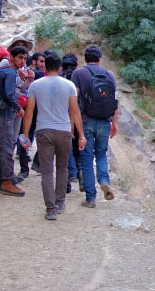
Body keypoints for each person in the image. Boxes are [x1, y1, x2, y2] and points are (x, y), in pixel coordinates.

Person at [20, 51, 86, 221]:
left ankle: (50, 209)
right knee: (63, 168)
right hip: (64, 131)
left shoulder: (35, 85)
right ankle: (60, 202)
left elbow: (29, 113)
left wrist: (26, 134)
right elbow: (75, 111)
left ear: (44, 66)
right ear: (60, 67)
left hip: (43, 131)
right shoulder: (69, 85)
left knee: (47, 171)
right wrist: (81, 135)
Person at [71, 45, 118, 207]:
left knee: (86, 158)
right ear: (100, 58)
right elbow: (114, 100)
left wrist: (72, 124)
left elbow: (74, 101)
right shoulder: (109, 74)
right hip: (105, 121)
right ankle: (104, 180)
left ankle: (91, 198)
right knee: (101, 154)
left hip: (85, 122)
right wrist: (114, 123)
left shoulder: (78, 73)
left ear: (85, 58)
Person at [0, 45, 29, 196]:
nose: (22, 61)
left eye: (25, 59)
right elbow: (9, 94)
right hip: (4, 115)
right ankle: (6, 181)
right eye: (20, 58)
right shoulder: (10, 73)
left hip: (1, 114)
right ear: (11, 58)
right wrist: (18, 107)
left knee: (5, 146)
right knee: (6, 147)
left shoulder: (7, 72)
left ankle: (6, 177)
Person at [60, 52, 81, 195]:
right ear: (76, 65)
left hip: (62, 121)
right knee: (78, 151)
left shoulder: (59, 79)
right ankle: (81, 174)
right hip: (79, 119)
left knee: (64, 153)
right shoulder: (80, 78)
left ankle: (66, 183)